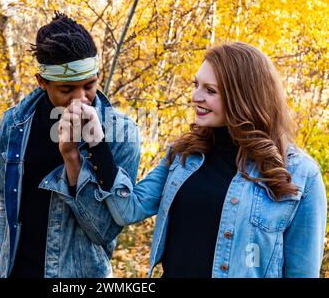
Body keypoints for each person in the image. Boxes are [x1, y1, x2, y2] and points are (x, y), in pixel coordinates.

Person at [101, 42, 327, 277]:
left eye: (210, 91)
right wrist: (98, 146)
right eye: (196, 85)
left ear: (243, 98)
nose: (195, 96)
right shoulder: (183, 154)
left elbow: (302, 272)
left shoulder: (300, 175)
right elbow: (128, 209)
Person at [0, 12, 141, 278]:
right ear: (42, 82)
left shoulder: (122, 133)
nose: (81, 99)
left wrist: (72, 157)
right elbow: (5, 201)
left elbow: (104, 231)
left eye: (89, 86)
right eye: (67, 90)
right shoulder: (14, 124)